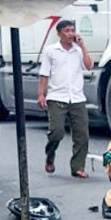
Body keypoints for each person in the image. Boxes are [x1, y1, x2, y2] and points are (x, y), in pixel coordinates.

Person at [36, 19, 93, 178]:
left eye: (72, 30)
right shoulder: (51, 51)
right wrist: (41, 94)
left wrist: (83, 46)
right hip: (57, 97)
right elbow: (44, 74)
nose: (70, 34)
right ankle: (50, 154)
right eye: (67, 31)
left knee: (82, 135)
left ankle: (77, 167)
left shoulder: (78, 50)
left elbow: (89, 66)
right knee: (57, 132)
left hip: (76, 97)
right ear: (59, 33)